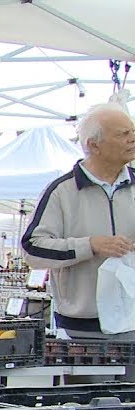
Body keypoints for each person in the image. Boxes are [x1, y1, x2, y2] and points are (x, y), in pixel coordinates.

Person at [22, 103, 135, 350]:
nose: (132, 139)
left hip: (132, 323)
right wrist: (89, 245)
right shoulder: (61, 192)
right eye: (123, 134)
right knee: (88, 390)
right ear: (94, 145)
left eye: (132, 131)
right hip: (81, 329)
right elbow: (32, 249)